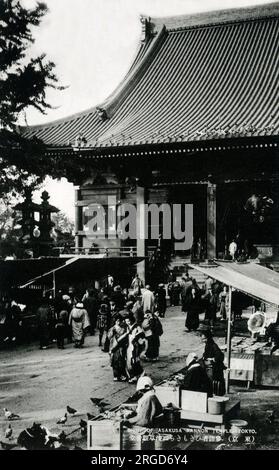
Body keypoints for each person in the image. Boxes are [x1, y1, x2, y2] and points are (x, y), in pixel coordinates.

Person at [201, 329, 226, 396]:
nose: (203, 340)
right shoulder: (208, 345)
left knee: (214, 383)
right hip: (210, 367)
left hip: (215, 368)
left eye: (204, 339)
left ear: (208, 338)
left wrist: (212, 359)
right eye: (202, 339)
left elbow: (219, 355)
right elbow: (206, 353)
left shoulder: (213, 345)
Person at [124, 312, 145, 383]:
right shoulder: (127, 327)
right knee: (129, 361)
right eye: (126, 321)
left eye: (129, 321)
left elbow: (142, 334)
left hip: (135, 345)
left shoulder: (137, 326)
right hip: (129, 345)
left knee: (134, 360)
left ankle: (138, 374)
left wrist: (136, 337)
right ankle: (133, 375)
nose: (128, 322)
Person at [107, 315, 128, 382]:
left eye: (119, 320)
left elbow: (124, 336)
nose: (118, 322)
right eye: (117, 320)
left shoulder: (124, 328)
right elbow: (109, 337)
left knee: (121, 361)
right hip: (114, 346)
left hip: (120, 347)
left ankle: (122, 375)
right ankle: (116, 375)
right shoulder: (112, 328)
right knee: (114, 362)